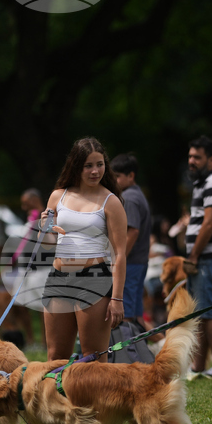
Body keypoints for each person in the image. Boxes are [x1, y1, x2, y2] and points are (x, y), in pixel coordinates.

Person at [42, 136, 126, 362]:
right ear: (76, 166)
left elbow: (119, 253)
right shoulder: (58, 196)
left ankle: (95, 399)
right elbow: (48, 243)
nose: (95, 171)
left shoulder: (111, 201)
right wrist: (45, 228)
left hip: (94, 278)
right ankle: (56, 399)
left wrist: (117, 299)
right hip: (59, 277)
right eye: (88, 165)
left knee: (93, 357)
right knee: (55, 356)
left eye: (99, 164)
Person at [184, 136, 212, 377]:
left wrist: (193, 254)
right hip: (203, 258)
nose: (191, 161)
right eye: (190, 156)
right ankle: (198, 367)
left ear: (211, 160)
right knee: (199, 313)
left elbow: (210, 223)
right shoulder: (202, 183)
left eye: (197, 157)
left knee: (208, 313)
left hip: (208, 259)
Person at [110, 153, 151, 324]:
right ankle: (148, 349)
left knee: (125, 315)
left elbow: (132, 232)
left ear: (131, 176)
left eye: (117, 177)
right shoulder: (138, 194)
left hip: (131, 262)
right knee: (135, 315)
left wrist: (119, 260)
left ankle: (128, 351)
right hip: (138, 261)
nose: (114, 181)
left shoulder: (130, 199)